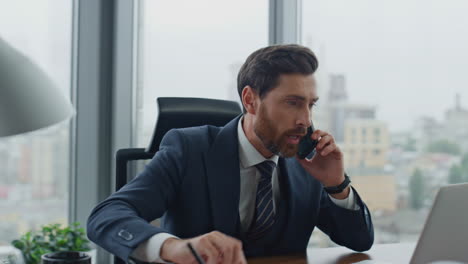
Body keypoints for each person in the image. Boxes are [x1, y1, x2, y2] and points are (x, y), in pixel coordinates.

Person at [87, 44, 374, 264]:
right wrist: (172, 247)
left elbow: (360, 240)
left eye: (311, 105)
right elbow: (106, 217)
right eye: (292, 103)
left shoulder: (307, 162)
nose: (305, 120)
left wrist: (336, 185)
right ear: (250, 100)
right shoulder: (188, 149)